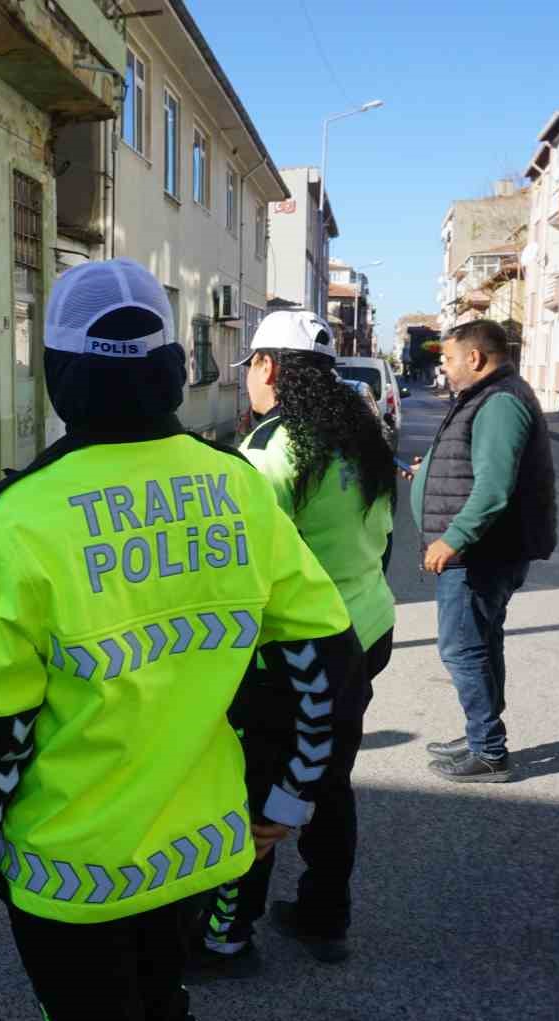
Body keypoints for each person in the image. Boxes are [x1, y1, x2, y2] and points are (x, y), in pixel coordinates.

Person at [0, 259, 363, 1021]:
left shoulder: (21, 516)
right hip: (195, 846)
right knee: (165, 1017)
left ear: (59, 375)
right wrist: (289, 799)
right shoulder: (237, 486)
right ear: (171, 368)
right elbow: (325, 663)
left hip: (71, 870)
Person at [190, 310, 395, 976]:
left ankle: (230, 935)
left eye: (249, 365)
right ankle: (323, 916)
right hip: (365, 631)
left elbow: (242, 573)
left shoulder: (271, 452)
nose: (248, 379)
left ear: (268, 367)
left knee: (257, 790)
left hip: (296, 653)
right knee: (329, 779)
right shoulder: (363, 435)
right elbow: (384, 538)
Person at [407, 319, 556, 783]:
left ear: (474, 358)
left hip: (481, 553)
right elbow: (475, 464)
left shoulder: (500, 402)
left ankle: (489, 750)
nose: (445, 369)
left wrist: (452, 540)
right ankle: (480, 735)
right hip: (485, 550)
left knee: (464, 650)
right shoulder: (489, 396)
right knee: (481, 645)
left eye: (448, 359)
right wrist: (428, 469)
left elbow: (492, 488)